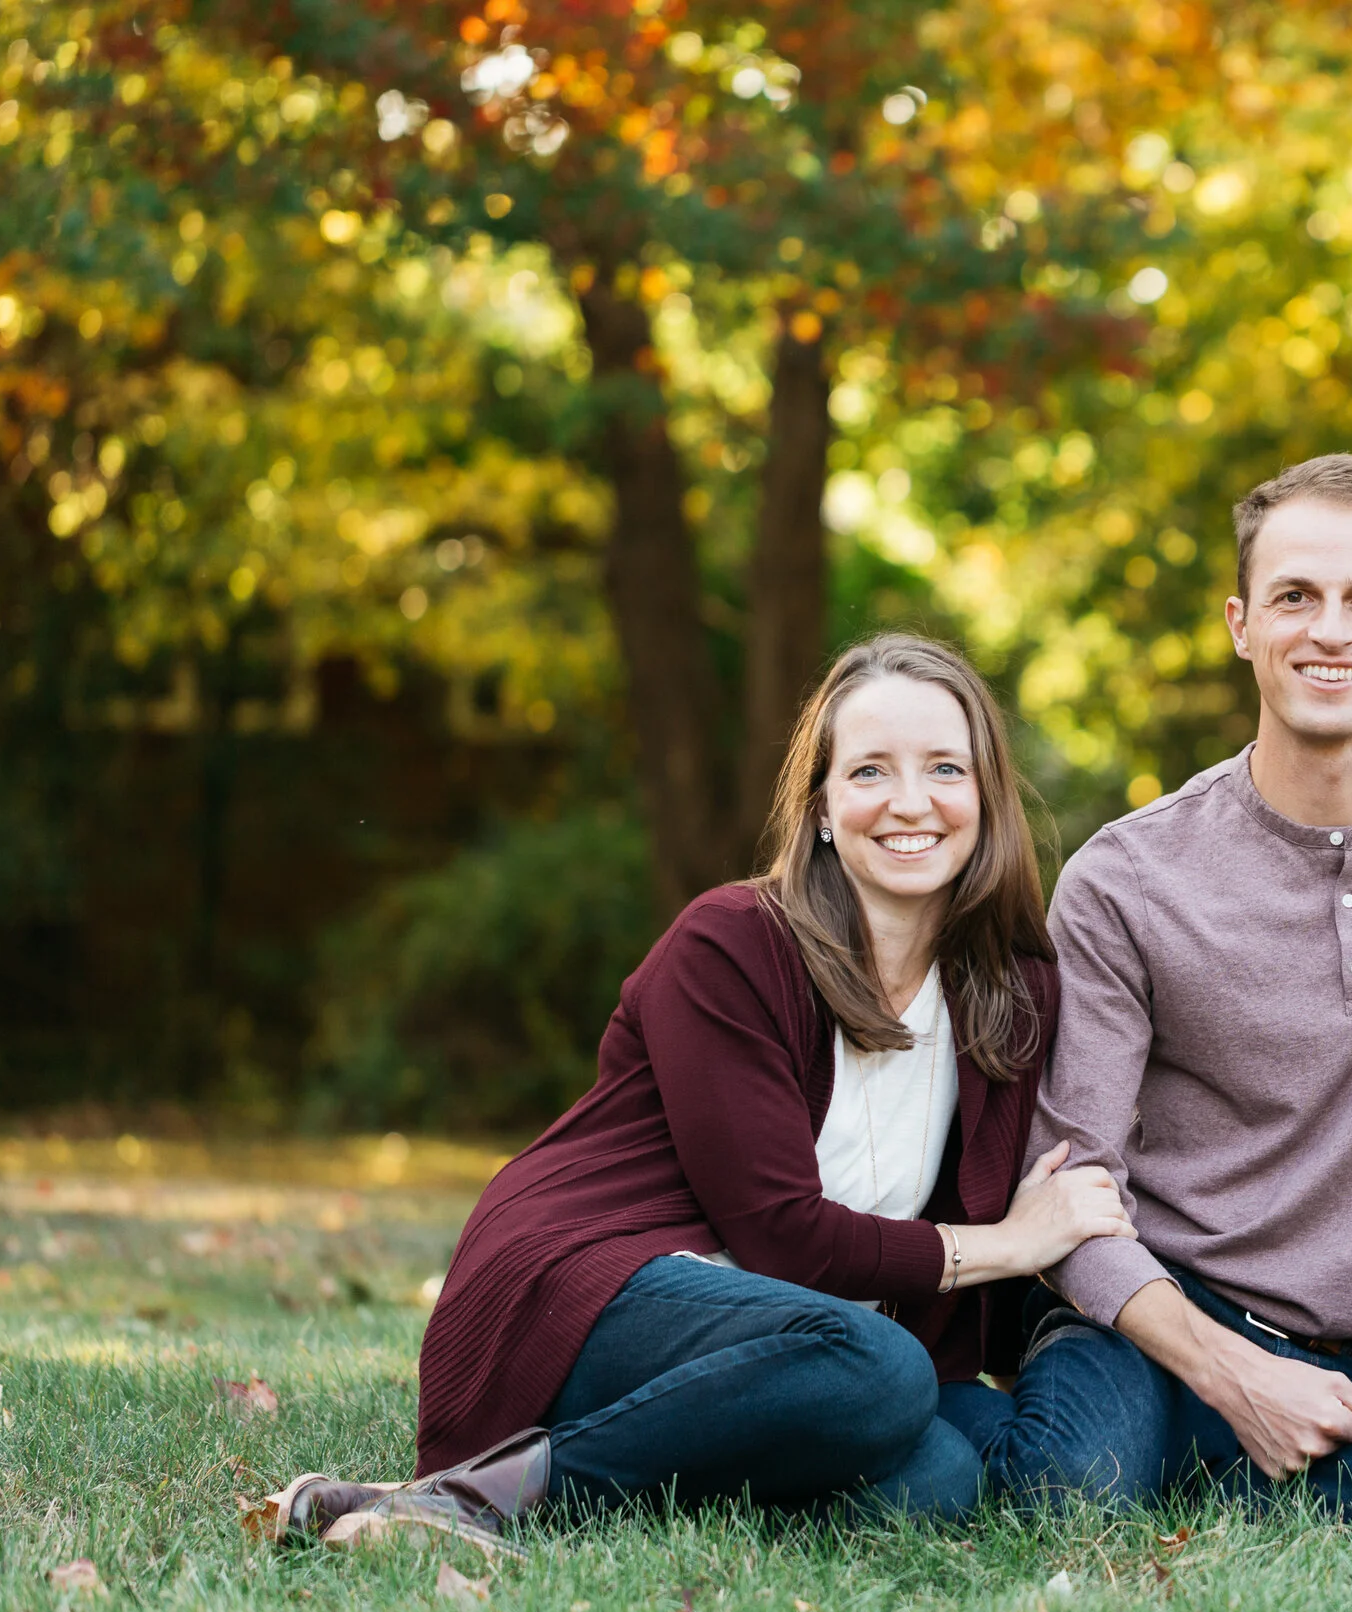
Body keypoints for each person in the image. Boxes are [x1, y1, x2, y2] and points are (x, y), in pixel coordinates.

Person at [273, 634, 1132, 1548]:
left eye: (945, 768)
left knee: (943, 1476)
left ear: (985, 799)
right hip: (598, 1292)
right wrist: (1006, 1244)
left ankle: (575, 1485)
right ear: (825, 808)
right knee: (882, 1369)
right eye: (871, 769)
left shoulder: (1007, 992)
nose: (910, 802)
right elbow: (781, 1234)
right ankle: (478, 1500)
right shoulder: (732, 944)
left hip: (810, 1348)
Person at [992, 455, 1352, 1518]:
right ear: (1239, 623)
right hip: (1167, 1315)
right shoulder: (1125, 878)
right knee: (1065, 1491)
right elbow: (1070, 1191)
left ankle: (1288, 1445)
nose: (1329, 630)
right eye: (1294, 597)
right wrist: (1235, 1371)